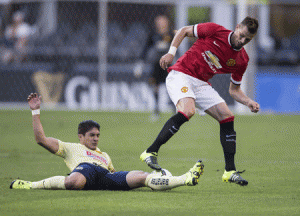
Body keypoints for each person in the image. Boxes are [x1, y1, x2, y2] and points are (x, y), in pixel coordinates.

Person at [140, 17, 260, 186]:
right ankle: (151, 151)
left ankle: (230, 171)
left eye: (247, 39)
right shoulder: (215, 30)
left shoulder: (242, 59)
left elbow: (234, 90)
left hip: (201, 83)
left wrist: (248, 102)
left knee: (227, 116)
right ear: (237, 27)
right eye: (241, 35)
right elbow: (183, 31)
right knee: (188, 110)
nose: (242, 41)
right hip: (181, 74)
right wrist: (171, 53)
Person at [10, 93, 204, 191]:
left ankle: (184, 179)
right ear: (81, 136)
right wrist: (35, 111)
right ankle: (30, 185)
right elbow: (40, 139)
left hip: (104, 177)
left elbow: (112, 172)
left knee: (141, 177)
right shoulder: (70, 148)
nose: (95, 138)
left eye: (97, 135)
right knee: (74, 181)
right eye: (92, 135)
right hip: (84, 170)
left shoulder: (105, 156)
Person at [134, 15, 175, 121]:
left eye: (163, 22)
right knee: (154, 86)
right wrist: (140, 64)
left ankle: (174, 111)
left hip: (168, 65)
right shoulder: (153, 35)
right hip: (156, 65)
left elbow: (176, 50)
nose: (161, 24)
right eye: (159, 22)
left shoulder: (171, 34)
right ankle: (156, 111)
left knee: (170, 88)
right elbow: (145, 49)